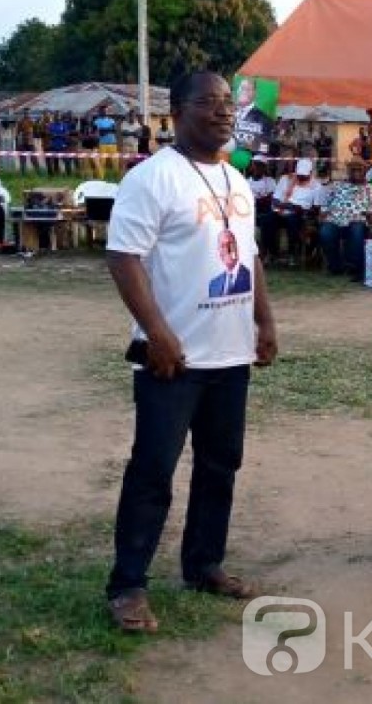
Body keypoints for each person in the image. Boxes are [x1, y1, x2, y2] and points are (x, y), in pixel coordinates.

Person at [103, 69, 278, 633]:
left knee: (220, 465)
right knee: (153, 469)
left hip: (230, 355)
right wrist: (156, 331)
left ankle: (204, 565)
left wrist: (265, 321)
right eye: (209, 102)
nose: (224, 112)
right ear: (176, 111)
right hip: (173, 359)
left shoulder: (235, 179)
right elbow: (124, 257)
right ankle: (128, 585)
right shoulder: (152, 178)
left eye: (229, 103)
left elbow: (249, 257)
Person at [319, 159, 372, 279]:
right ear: (349, 171)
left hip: (359, 220)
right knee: (326, 231)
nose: (356, 172)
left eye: (359, 170)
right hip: (336, 220)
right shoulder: (338, 186)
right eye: (353, 170)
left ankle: (355, 267)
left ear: (365, 171)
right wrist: (323, 214)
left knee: (357, 229)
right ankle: (335, 266)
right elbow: (326, 204)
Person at [266, 158, 324, 265]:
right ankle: (272, 253)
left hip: (300, 215)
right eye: (299, 174)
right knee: (268, 219)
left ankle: (293, 253)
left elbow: (316, 209)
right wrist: (290, 206)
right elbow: (275, 200)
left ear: (310, 173)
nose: (300, 178)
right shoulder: (285, 179)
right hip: (281, 211)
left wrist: (300, 210)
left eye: (304, 176)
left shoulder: (317, 186)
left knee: (292, 220)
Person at [232, 77, 275, 156]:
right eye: (242, 88)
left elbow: (263, 147)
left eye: (248, 89)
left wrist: (247, 146)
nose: (243, 91)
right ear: (237, 91)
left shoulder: (264, 119)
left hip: (248, 161)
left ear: (254, 93)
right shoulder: (228, 113)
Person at [207, 229, 254, 297]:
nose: (226, 249)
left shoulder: (251, 277)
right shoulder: (213, 285)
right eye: (222, 246)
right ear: (219, 251)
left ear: (237, 248)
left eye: (229, 244)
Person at [93, 106, 119, 178]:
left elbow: (114, 130)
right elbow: (98, 132)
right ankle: (101, 177)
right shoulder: (96, 121)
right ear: (100, 112)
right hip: (102, 143)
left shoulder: (111, 120)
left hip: (112, 143)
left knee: (115, 161)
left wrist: (104, 130)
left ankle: (117, 177)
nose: (104, 112)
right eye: (103, 111)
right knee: (102, 161)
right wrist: (108, 129)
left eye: (106, 111)